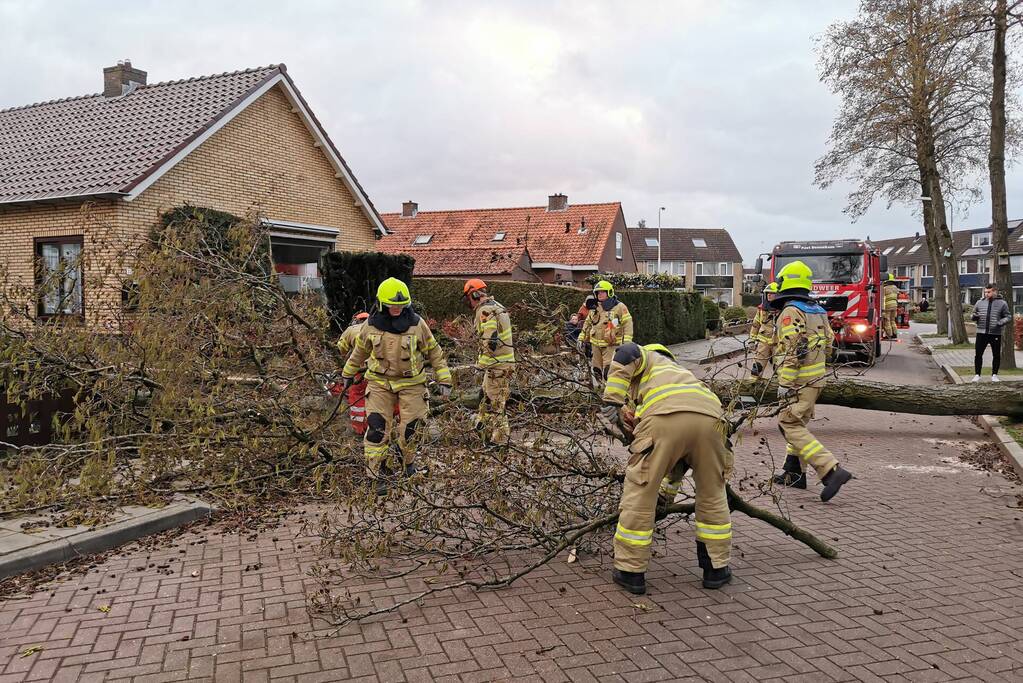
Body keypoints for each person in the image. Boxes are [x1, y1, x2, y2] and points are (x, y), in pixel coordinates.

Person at [602, 342, 734, 594]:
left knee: (641, 491)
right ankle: (716, 569)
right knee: (713, 492)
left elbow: (626, 351)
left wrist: (612, 400)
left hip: (666, 419)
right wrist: (667, 493)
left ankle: (631, 571)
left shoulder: (647, 358)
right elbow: (677, 459)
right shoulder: (683, 377)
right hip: (713, 423)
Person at [341, 277, 452, 494]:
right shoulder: (370, 326)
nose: (397, 309)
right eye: (393, 306)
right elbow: (359, 352)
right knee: (376, 428)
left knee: (411, 430)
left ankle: (409, 465)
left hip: (412, 384)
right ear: (382, 304)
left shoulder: (417, 324)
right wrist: (348, 373)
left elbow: (434, 352)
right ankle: (375, 476)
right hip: (380, 384)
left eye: (401, 306)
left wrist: (444, 378)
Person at [770, 260, 853, 502]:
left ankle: (830, 470)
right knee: (798, 425)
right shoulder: (817, 310)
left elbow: (794, 348)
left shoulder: (790, 312)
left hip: (798, 382)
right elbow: (829, 345)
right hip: (815, 380)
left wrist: (785, 382)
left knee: (789, 424)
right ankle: (794, 472)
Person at [463, 278, 515, 444]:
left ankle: (500, 441)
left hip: (496, 366)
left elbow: (490, 339)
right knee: (485, 397)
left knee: (497, 405)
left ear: (474, 294)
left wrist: (480, 365)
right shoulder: (497, 306)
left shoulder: (485, 311)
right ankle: (482, 426)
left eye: (468, 297)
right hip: (503, 363)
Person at [579, 280, 633, 387]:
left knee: (609, 370)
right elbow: (587, 323)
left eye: (602, 292)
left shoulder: (619, 307)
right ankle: (600, 389)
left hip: (611, 345)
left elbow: (628, 323)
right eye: (598, 292)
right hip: (596, 345)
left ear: (609, 292)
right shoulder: (595, 307)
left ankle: (610, 389)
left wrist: (627, 341)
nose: (600, 294)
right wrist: (581, 338)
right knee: (596, 369)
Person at [971, 283, 1012, 382]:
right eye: (985, 292)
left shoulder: (1002, 303)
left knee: (996, 355)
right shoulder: (979, 302)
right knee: (978, 354)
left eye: (988, 292)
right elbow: (973, 314)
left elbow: (1008, 317)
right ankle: (977, 374)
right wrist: (974, 317)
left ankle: (994, 375)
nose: (986, 294)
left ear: (994, 292)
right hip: (981, 332)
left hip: (995, 333)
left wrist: (1000, 322)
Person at [749, 282, 779, 377]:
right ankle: (752, 386)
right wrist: (752, 340)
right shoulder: (761, 309)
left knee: (778, 369)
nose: (769, 295)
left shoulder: (783, 309)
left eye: (772, 293)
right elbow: (755, 325)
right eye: (767, 293)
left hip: (778, 343)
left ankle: (775, 388)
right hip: (763, 342)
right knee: (756, 368)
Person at [882, 273, 899, 340]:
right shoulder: (895, 288)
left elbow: (883, 298)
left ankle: (889, 335)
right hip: (894, 305)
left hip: (887, 305)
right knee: (893, 320)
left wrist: (882, 308)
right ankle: (895, 334)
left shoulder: (885, 288)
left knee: (887, 320)